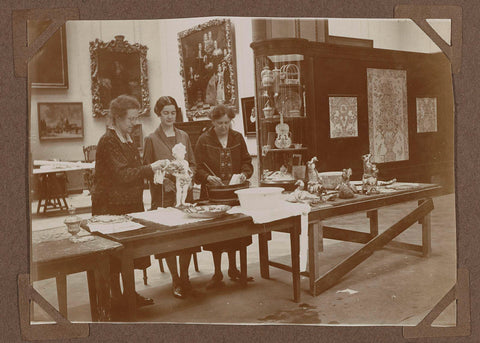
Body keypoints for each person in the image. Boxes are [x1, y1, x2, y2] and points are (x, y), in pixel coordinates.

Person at [91, 95, 166, 309]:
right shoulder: (109, 140)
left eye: (135, 118)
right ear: (116, 118)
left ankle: (129, 294)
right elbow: (123, 174)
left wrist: (160, 171)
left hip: (128, 202)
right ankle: (116, 299)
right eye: (130, 119)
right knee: (115, 256)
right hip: (110, 206)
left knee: (128, 253)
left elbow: (135, 168)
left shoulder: (127, 137)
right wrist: (151, 168)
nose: (134, 123)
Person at [143, 96, 200, 298]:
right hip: (163, 196)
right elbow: (147, 170)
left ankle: (185, 276)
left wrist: (188, 175)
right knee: (169, 239)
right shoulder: (151, 139)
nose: (169, 116)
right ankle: (175, 278)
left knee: (187, 236)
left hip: (184, 194)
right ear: (159, 114)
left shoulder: (184, 135)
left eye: (173, 112)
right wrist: (163, 180)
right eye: (165, 112)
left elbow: (192, 162)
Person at [194, 105, 254, 289]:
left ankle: (234, 269)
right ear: (212, 122)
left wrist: (245, 174)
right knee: (217, 236)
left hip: (235, 193)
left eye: (227, 123)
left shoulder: (237, 137)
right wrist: (207, 177)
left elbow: (247, 162)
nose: (223, 127)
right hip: (214, 195)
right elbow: (197, 168)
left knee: (237, 233)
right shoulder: (204, 140)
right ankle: (218, 272)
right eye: (219, 123)